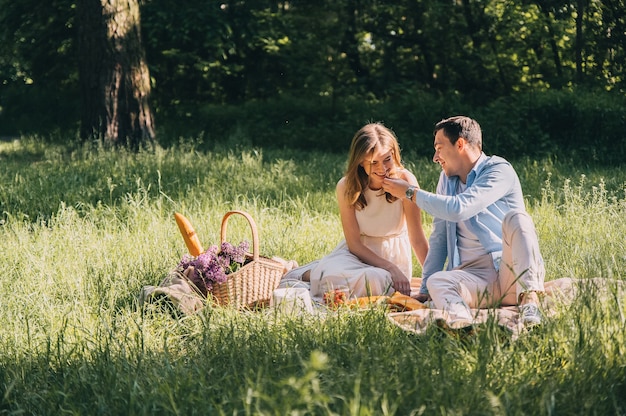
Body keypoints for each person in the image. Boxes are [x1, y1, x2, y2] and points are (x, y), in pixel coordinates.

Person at [382, 115, 545, 327]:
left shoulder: (499, 170)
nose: (435, 157)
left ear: (460, 144)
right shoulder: (446, 180)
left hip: (511, 273)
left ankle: (529, 301)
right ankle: (464, 324)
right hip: (475, 280)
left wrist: (411, 193)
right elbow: (439, 237)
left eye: (439, 148)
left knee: (518, 218)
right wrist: (424, 290)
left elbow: (460, 208)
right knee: (436, 281)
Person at [281, 122, 429, 300]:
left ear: (394, 154)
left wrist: (431, 280)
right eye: (374, 162)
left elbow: (418, 239)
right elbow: (354, 244)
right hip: (357, 254)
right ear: (360, 162)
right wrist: (391, 269)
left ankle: (320, 270)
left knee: (376, 280)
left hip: (392, 257)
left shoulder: (406, 181)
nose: (382, 169)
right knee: (340, 278)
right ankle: (305, 273)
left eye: (387, 159)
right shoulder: (347, 186)